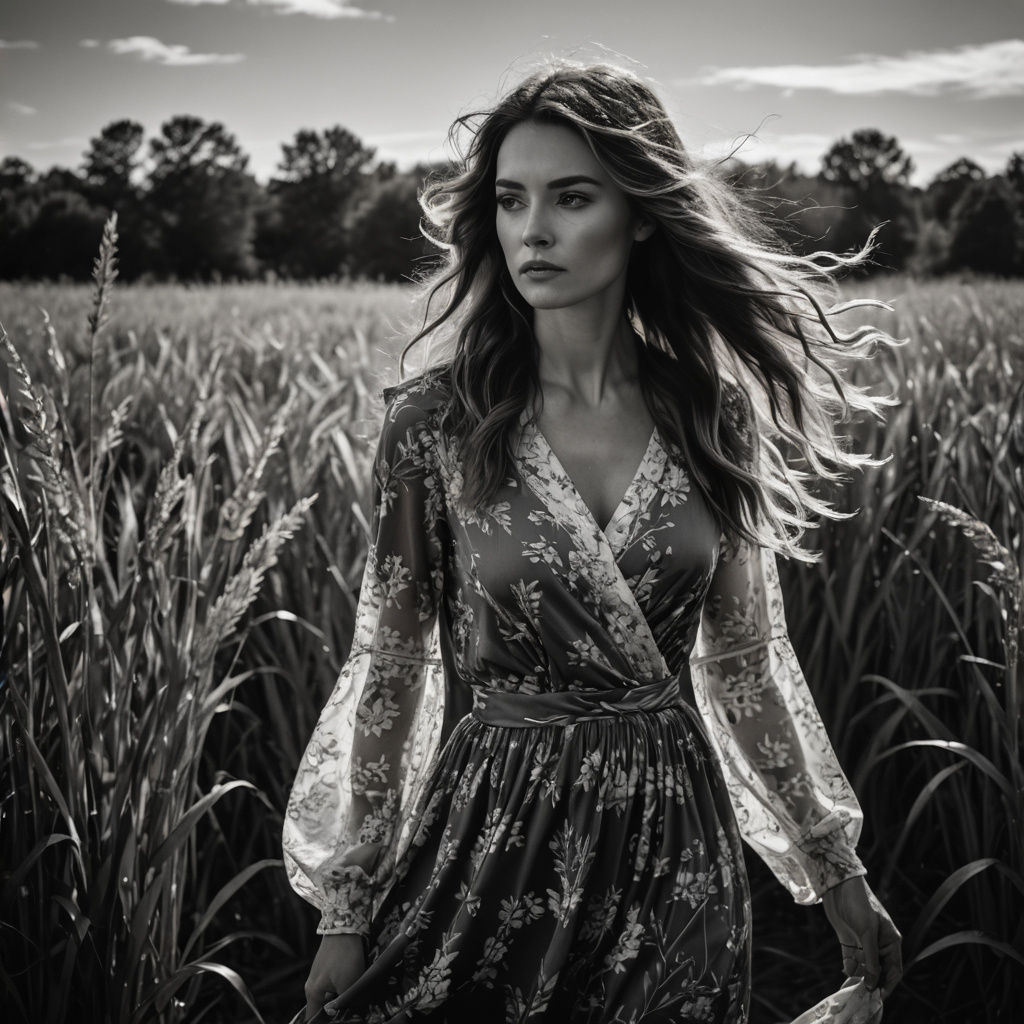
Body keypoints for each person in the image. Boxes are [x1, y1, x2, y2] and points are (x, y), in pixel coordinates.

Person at [283, 60, 904, 1023]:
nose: (533, 230)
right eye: (510, 199)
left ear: (643, 212)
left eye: (571, 198)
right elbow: (394, 669)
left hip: (675, 842)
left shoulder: (712, 417)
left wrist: (836, 869)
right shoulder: (434, 426)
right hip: (498, 832)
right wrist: (344, 905)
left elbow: (745, 670)